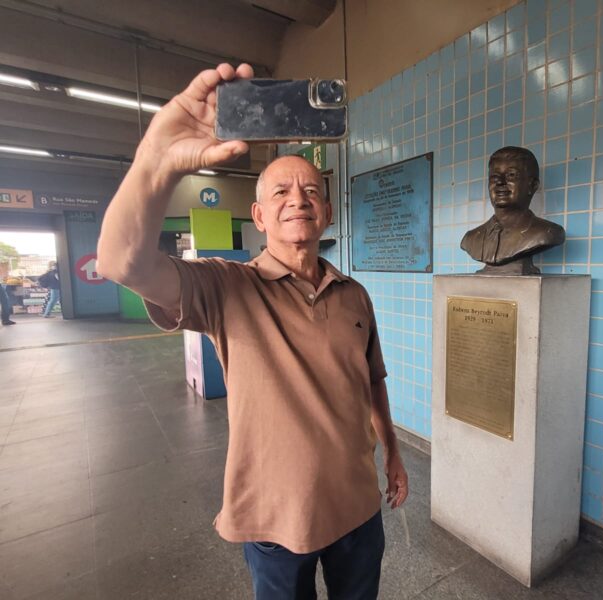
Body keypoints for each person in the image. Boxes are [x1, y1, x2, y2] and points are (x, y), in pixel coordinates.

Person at [96, 63, 408, 600]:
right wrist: (157, 159)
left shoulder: (354, 294)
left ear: (328, 212)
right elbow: (122, 262)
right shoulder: (228, 288)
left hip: (357, 506)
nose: (298, 198)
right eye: (281, 191)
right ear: (259, 216)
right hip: (273, 517)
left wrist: (394, 453)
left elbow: (371, 381)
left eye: (311, 189)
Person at [460, 146, 565, 275]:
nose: (500, 182)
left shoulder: (547, 233)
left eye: (511, 175)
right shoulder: (471, 238)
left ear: (532, 186)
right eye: (494, 176)